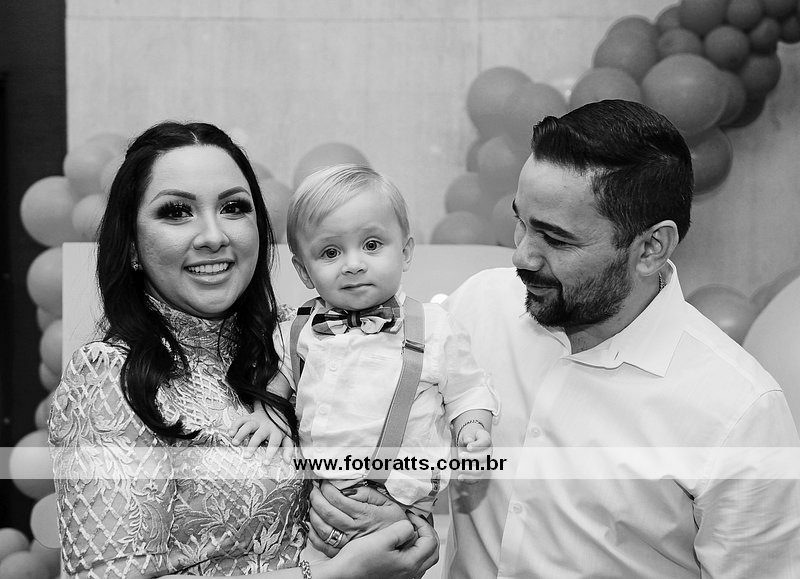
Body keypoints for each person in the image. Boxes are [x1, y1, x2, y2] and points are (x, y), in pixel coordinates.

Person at [49, 121, 438, 579]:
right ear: (132, 245)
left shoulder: (298, 338)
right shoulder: (110, 376)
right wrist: (339, 574)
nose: (214, 236)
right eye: (177, 211)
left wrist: (397, 521)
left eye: (233, 207)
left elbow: (402, 438)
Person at [439, 99, 800, 577]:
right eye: (521, 221)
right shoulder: (479, 305)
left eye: (556, 239)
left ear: (650, 248)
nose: (521, 256)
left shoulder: (740, 414)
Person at [234, 164, 498, 546]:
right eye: (330, 252)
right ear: (304, 271)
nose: (354, 264)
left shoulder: (435, 327)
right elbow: (278, 379)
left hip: (403, 506)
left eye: (372, 245)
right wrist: (269, 414)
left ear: (405, 252)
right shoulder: (297, 331)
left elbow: (468, 391)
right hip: (317, 503)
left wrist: (473, 428)